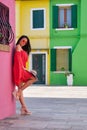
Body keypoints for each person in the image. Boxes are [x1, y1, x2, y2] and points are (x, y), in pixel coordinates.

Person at [13, 35, 38, 115]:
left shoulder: (23, 49)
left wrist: (25, 69)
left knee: (20, 88)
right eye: (23, 40)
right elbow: (18, 60)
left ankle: (24, 108)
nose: (24, 43)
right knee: (34, 78)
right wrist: (23, 70)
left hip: (21, 69)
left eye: (26, 42)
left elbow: (23, 62)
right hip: (19, 69)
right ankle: (19, 91)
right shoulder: (18, 46)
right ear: (19, 40)